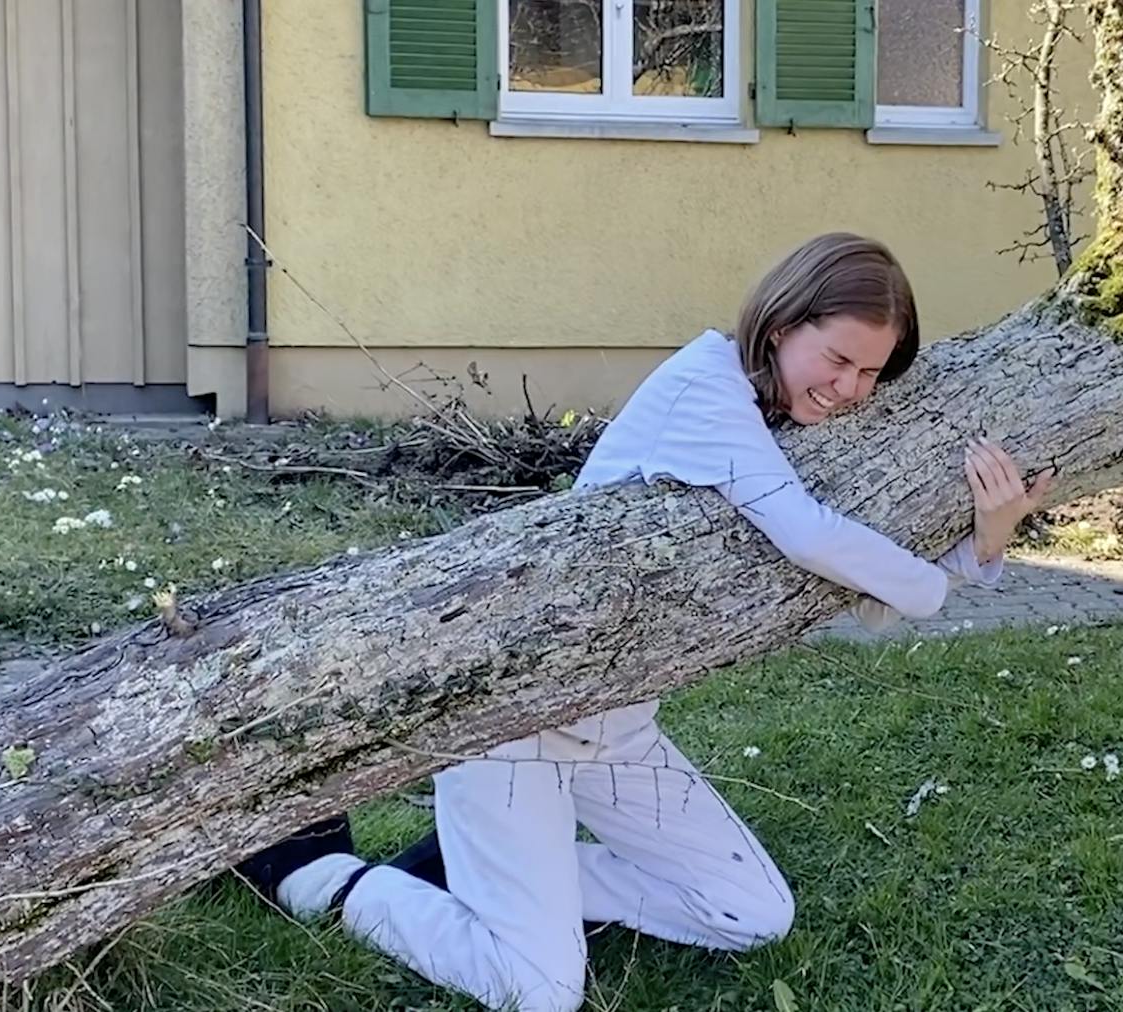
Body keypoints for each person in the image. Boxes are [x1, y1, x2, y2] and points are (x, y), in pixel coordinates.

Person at [237, 233, 1052, 1012]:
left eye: (870, 373)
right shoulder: (707, 386)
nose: (849, 390)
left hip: (617, 730)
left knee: (751, 915)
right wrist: (945, 585)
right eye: (838, 359)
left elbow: (858, 595)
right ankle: (318, 874)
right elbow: (811, 538)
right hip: (520, 721)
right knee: (541, 992)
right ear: (778, 325)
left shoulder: (787, 426)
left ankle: (502, 875)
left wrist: (983, 546)